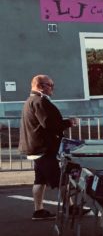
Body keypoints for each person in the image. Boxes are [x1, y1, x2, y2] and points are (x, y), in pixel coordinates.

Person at [19, 74, 74, 221]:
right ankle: (70, 208)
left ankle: (38, 211)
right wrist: (68, 123)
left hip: (35, 148)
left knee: (40, 180)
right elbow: (49, 124)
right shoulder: (40, 101)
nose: (52, 88)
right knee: (61, 179)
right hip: (43, 148)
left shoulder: (30, 101)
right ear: (40, 86)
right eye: (50, 85)